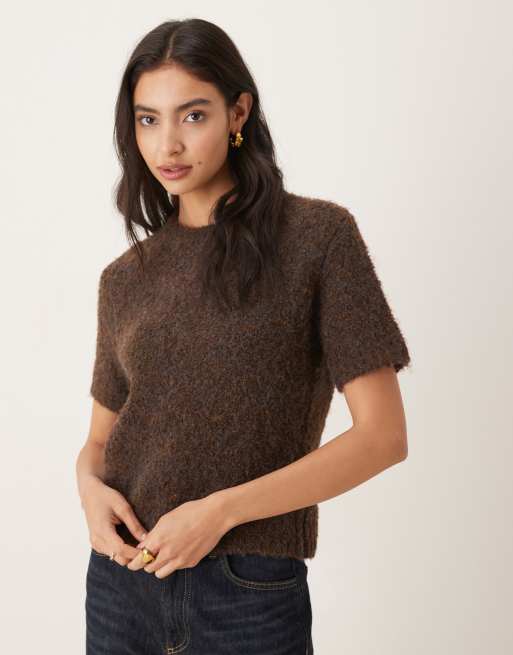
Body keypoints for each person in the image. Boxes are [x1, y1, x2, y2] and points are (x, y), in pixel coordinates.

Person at [75, 18, 411, 655]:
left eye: (192, 115)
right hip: (121, 587)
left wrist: (220, 512)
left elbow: (383, 437)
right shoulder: (124, 278)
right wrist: (89, 492)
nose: (168, 143)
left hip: (246, 589)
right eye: (148, 120)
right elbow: (98, 442)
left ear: (238, 113)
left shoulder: (318, 239)